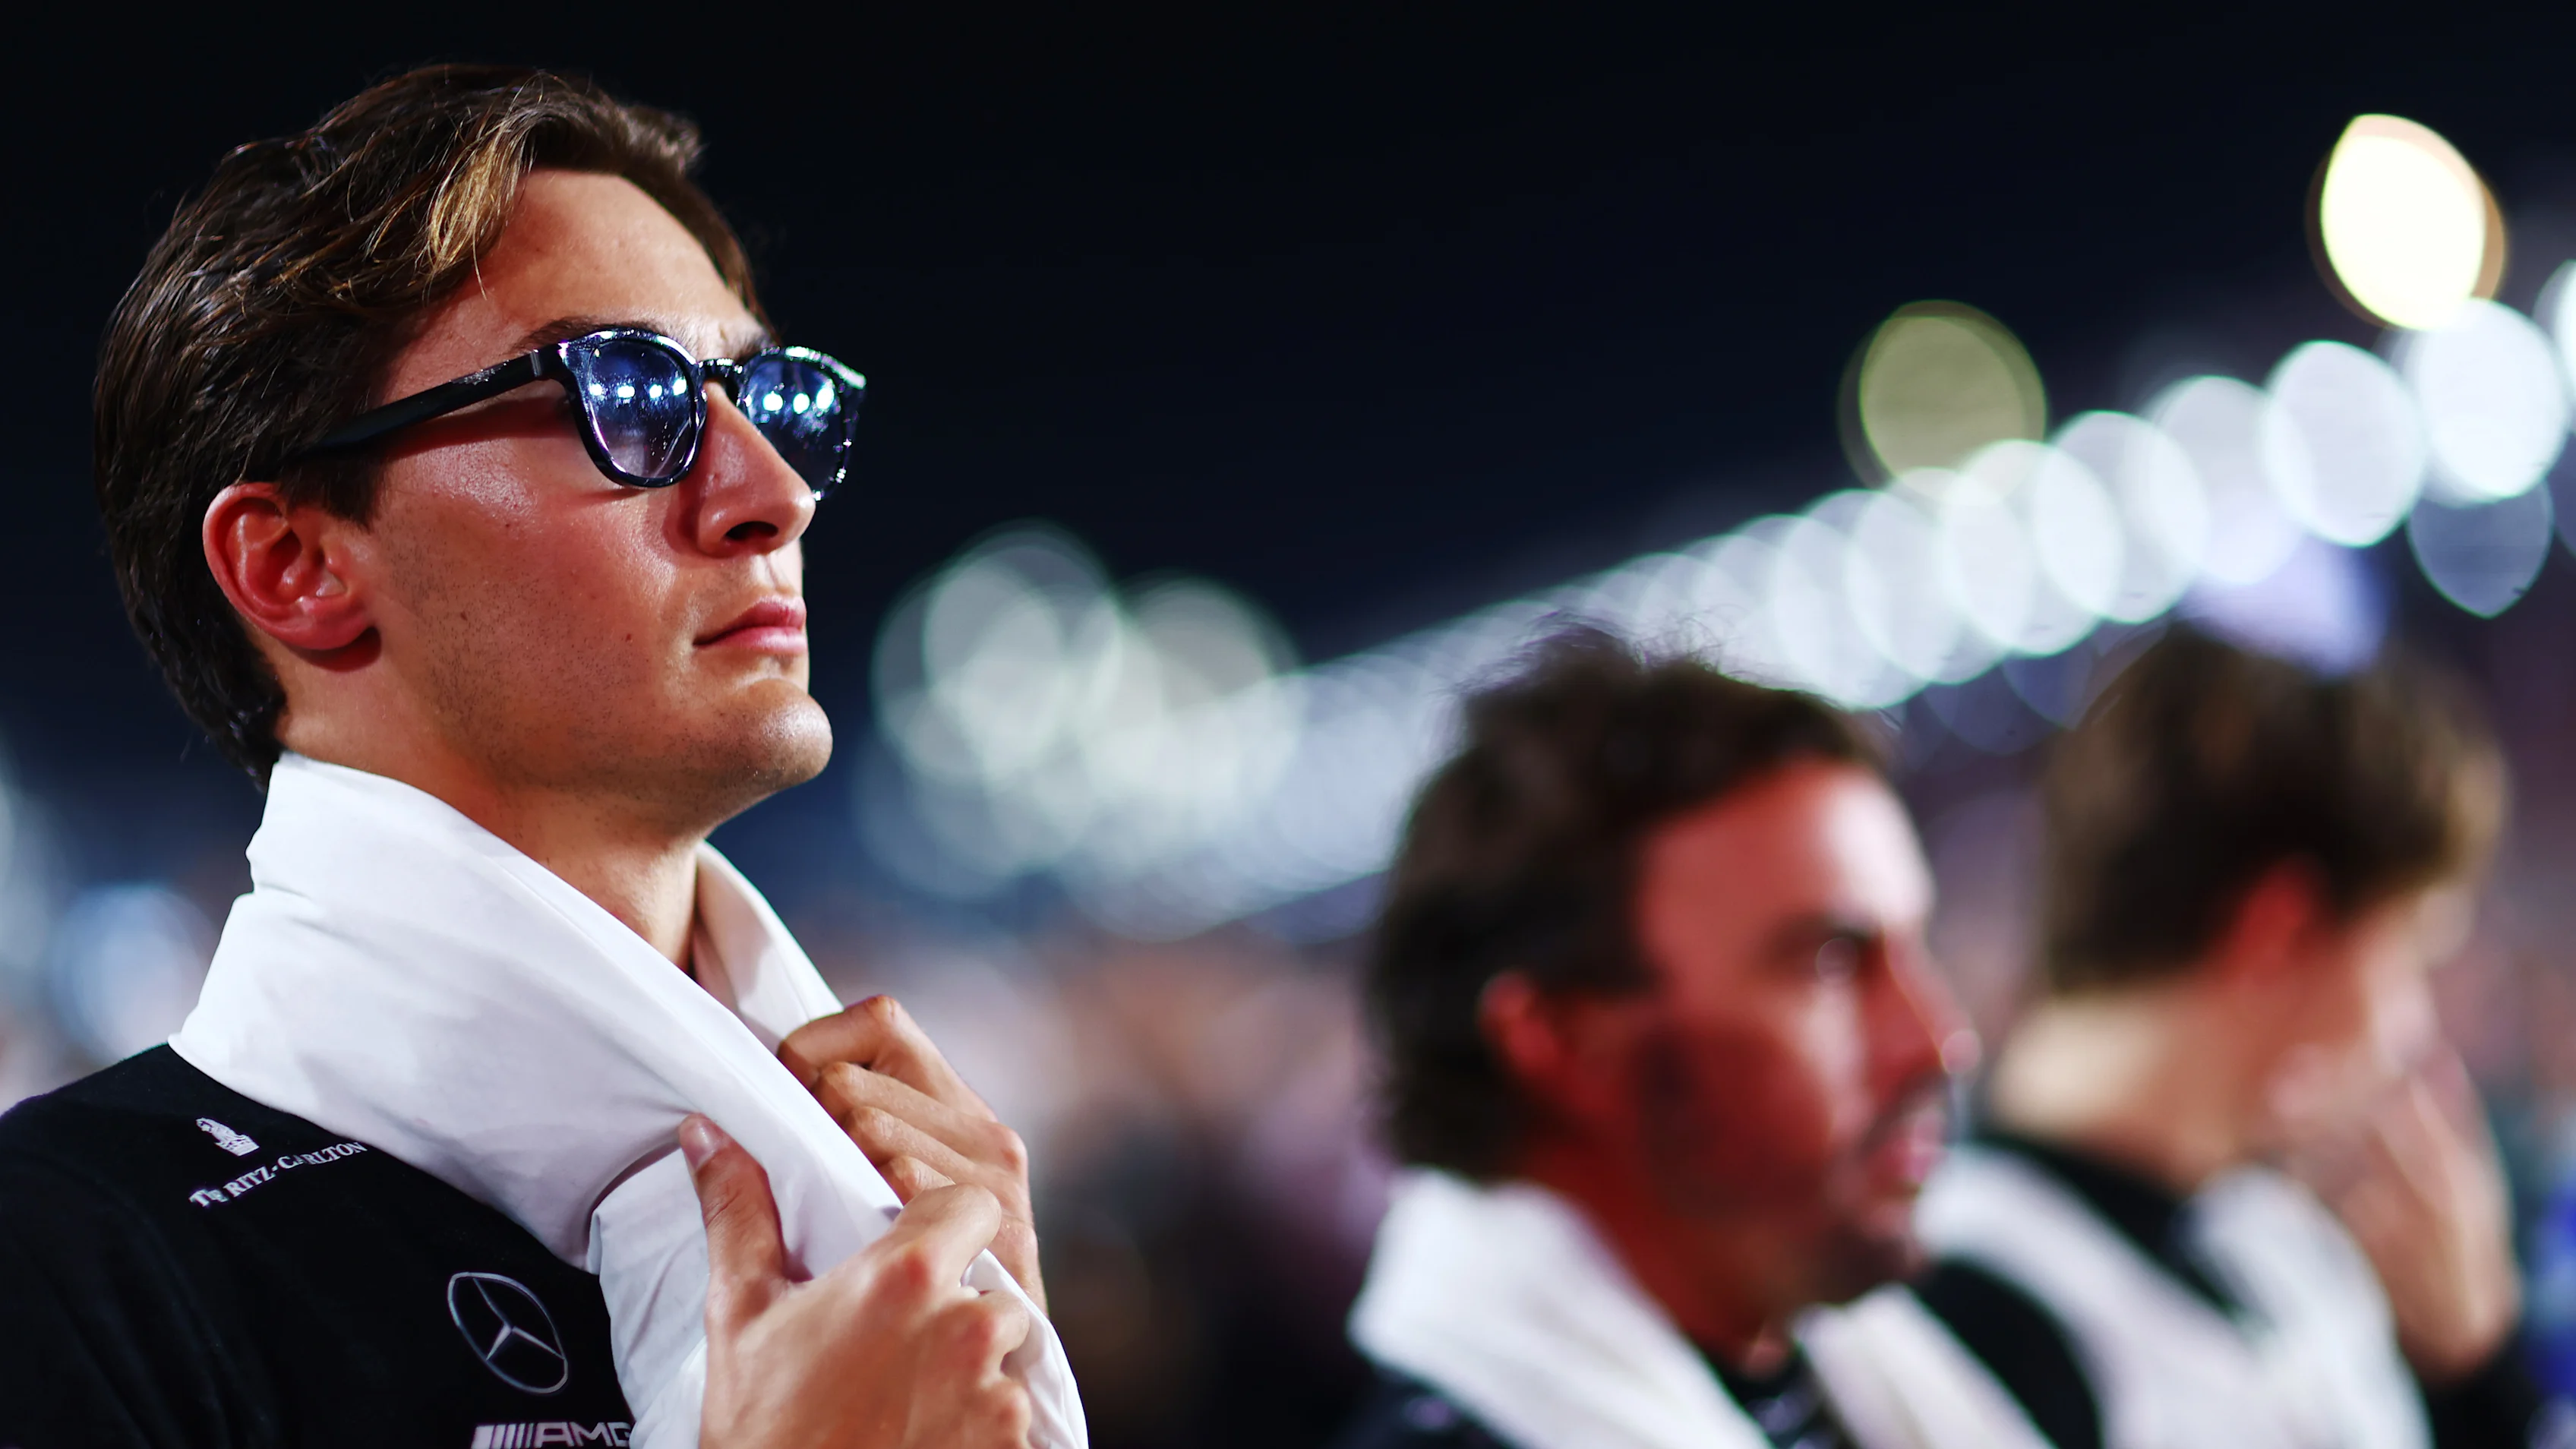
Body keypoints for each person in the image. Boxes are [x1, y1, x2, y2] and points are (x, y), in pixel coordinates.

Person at [0, 66, 1079, 1449]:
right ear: (296, 565)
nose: (773, 494)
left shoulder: (897, 1207)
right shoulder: (60, 1269)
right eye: (625, 394)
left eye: (770, 398)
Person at [1334, 630, 2048, 1449]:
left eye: (1914, 946)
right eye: (1827, 963)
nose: (1938, 1042)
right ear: (1559, 1040)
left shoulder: (1865, 1376)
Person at [1912, 627, 2555, 1449]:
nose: (2411, 1025)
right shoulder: (1969, 1317)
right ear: (2279, 935)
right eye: (2409, 957)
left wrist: (2474, 1371)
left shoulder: (2272, 1239)